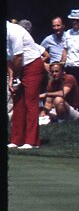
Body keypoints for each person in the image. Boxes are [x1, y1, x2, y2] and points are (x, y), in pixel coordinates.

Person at [7, 20, 46, 149]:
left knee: (30, 102)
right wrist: (12, 79)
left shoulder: (14, 31)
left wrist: (17, 77)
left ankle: (32, 141)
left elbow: (18, 57)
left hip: (33, 65)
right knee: (18, 104)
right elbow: (9, 60)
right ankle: (16, 140)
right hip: (19, 68)